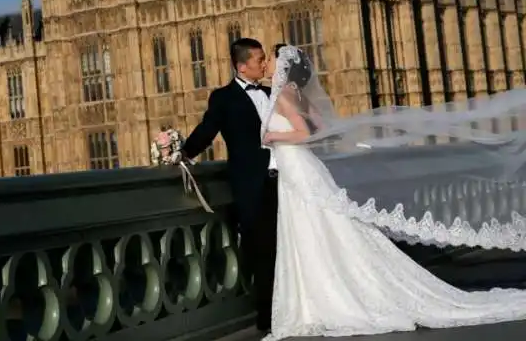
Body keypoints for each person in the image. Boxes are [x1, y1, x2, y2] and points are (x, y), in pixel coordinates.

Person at [261, 44, 526, 339]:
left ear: (283, 64)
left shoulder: (284, 95)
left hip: (298, 170)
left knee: (310, 231)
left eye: (270, 59)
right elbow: (323, 128)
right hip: (304, 169)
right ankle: (324, 295)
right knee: (324, 230)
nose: (266, 64)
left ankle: (318, 301)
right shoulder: (296, 93)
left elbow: (306, 133)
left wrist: (272, 136)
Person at [177, 37, 277, 335]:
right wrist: (180, 154)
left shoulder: (273, 93)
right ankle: (268, 318)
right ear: (241, 65)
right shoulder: (223, 97)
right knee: (262, 254)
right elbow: (207, 131)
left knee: (289, 250)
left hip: (284, 183)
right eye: (259, 59)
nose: (263, 63)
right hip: (251, 187)